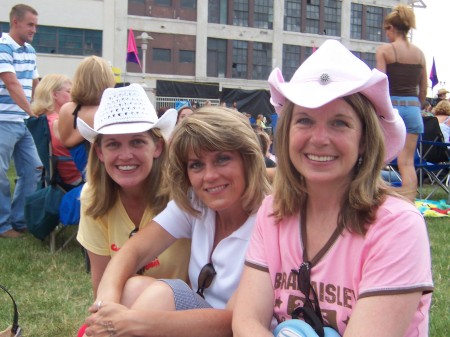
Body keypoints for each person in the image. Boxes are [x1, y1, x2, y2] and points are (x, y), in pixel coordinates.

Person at [232, 40, 433, 337]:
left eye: (339, 123)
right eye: (305, 120)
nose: (319, 138)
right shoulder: (272, 211)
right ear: (286, 132)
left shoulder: (397, 225)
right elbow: (246, 322)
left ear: (364, 139)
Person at [82, 106, 271, 337]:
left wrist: (136, 322)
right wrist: (106, 307)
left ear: (248, 160)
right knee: (131, 288)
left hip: (234, 329)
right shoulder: (197, 204)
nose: (209, 176)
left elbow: (234, 320)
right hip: (197, 319)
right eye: (196, 165)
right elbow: (133, 251)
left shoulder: (268, 222)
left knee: (164, 294)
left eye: (222, 159)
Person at [76, 84, 190, 298]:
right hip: (127, 310)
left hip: (184, 315)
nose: (126, 155)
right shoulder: (92, 196)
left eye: (137, 142)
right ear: (99, 152)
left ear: (157, 147)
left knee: (134, 287)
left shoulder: (182, 191)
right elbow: (101, 286)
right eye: (113, 144)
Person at [376, 4, 428, 202]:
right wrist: (417, 105)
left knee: (379, 159)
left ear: (391, 28)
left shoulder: (385, 51)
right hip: (413, 109)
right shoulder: (419, 54)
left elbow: (380, 84)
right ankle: (410, 204)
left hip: (392, 109)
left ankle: (377, 200)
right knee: (407, 163)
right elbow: (423, 89)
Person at [0, 4, 42, 238]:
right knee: (0, 174)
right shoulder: (3, 47)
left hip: (23, 121)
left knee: (34, 169)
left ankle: (21, 219)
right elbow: (11, 83)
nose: (34, 29)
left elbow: (36, 84)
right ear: (15, 22)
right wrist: (32, 110)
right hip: (3, 120)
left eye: (35, 25)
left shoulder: (31, 50)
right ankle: (3, 225)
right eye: (30, 24)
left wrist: (41, 107)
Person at [58, 55, 115, 176]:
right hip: (104, 176)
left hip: (78, 172)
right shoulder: (106, 110)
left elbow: (66, 142)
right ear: (107, 80)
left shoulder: (66, 110)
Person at [31, 74, 83, 187]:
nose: (73, 96)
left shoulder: (42, 120)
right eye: (69, 91)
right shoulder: (59, 122)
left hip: (57, 177)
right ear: (54, 94)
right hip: (75, 178)